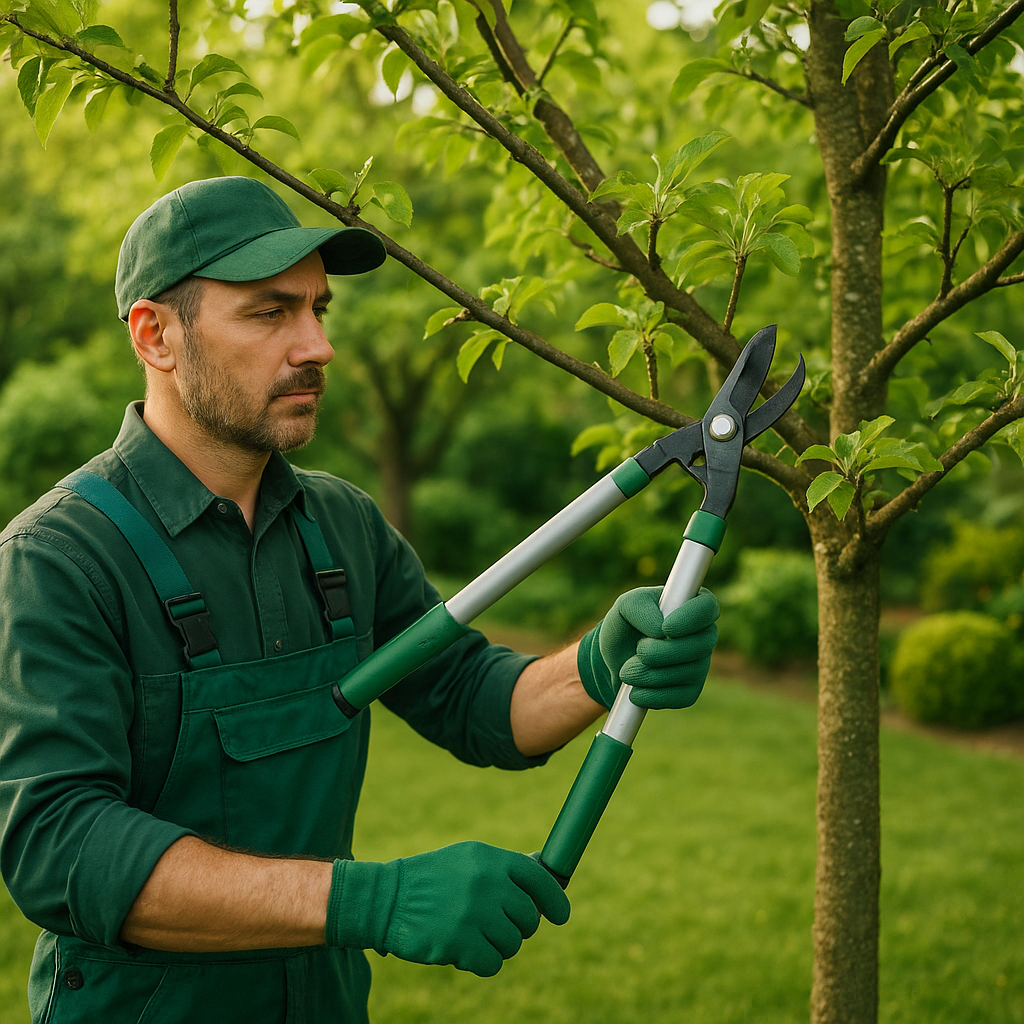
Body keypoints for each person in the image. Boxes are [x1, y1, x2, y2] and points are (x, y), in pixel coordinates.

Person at [0, 176, 720, 1023]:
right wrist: (369, 902)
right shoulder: (59, 559)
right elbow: (60, 845)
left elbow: (470, 697)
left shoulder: (340, 525)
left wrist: (598, 665)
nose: (317, 346)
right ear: (156, 335)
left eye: (318, 310)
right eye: (270, 313)